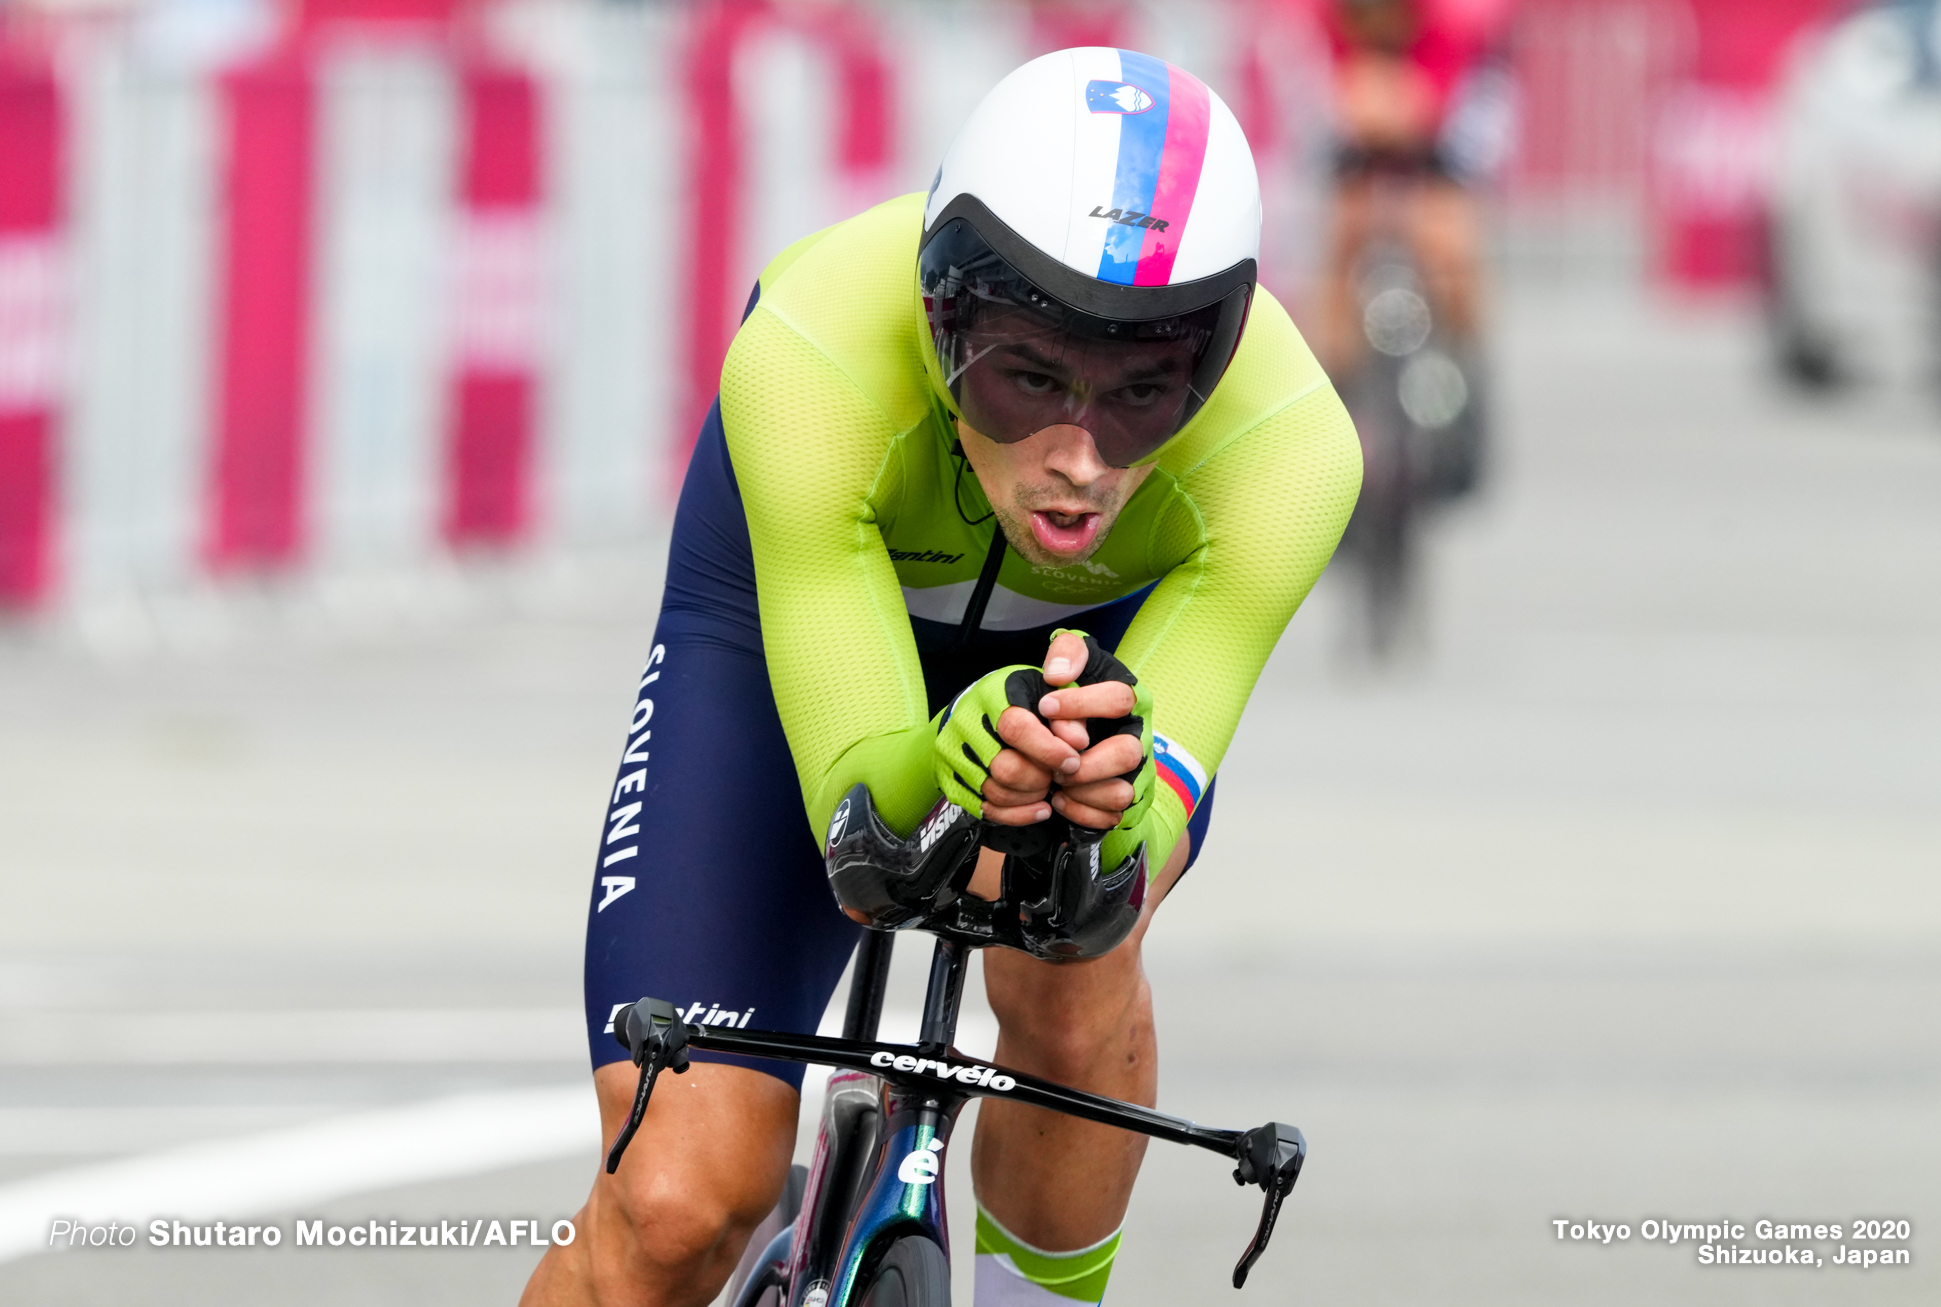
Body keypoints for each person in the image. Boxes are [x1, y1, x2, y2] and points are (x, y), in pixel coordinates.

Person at [521, 46, 1359, 1307]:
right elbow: (863, 822)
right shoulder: (812, 352)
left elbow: (1135, 846)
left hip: (1086, 660)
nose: (1077, 456)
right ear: (939, 313)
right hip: (783, 635)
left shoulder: (1289, 451)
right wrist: (952, 755)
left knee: (1078, 954)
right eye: (1028, 376)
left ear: (1218, 353)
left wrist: (1105, 807)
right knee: (677, 1209)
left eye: (1144, 391)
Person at [1314, 0, 1514, 381]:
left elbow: (1428, 113)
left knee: (1450, 250)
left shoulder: (1447, 30)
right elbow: (1348, 112)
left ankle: (1463, 364)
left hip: (1440, 155)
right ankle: (1334, 377)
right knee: (1341, 250)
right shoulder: (1334, 25)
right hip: (1361, 160)